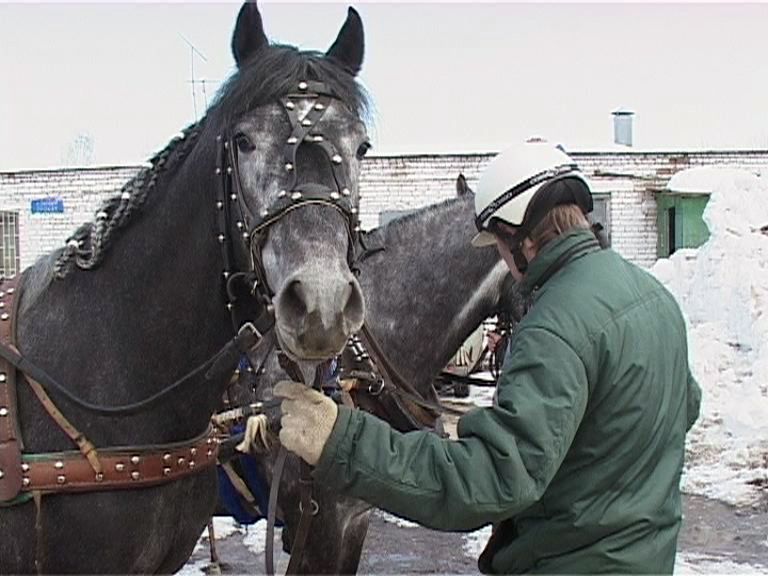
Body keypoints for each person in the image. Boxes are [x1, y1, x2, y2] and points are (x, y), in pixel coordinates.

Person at [274, 140, 702, 574]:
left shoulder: (555, 324)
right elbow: (682, 406)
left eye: (496, 245)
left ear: (517, 237)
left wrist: (342, 441)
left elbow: (492, 480)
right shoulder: (654, 296)